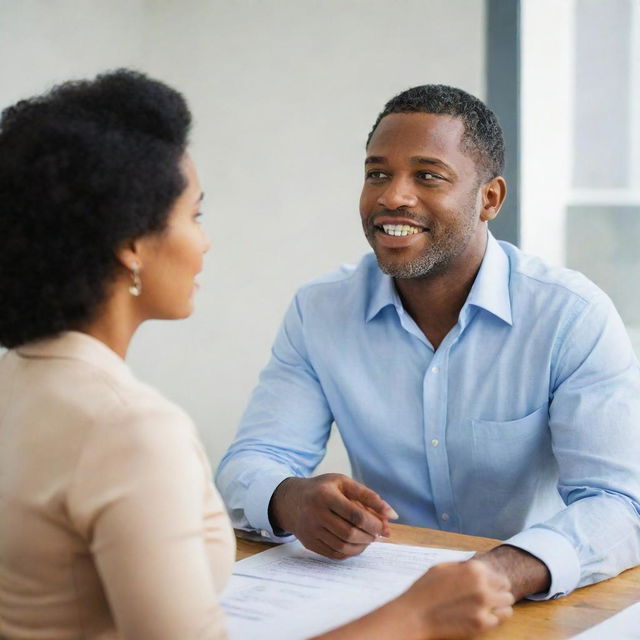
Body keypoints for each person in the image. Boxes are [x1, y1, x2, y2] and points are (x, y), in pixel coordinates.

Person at [0, 71, 513, 639]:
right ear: (131, 247)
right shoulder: (129, 430)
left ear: (489, 197)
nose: (205, 241)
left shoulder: (15, 383)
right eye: (194, 216)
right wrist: (413, 617)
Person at [216, 84, 640, 603]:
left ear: (489, 199)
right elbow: (251, 461)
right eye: (377, 173)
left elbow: (619, 503)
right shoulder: (319, 310)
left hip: (530, 601)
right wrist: (288, 499)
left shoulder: (571, 315)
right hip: (375, 598)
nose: (392, 195)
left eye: (427, 176)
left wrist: (500, 572)